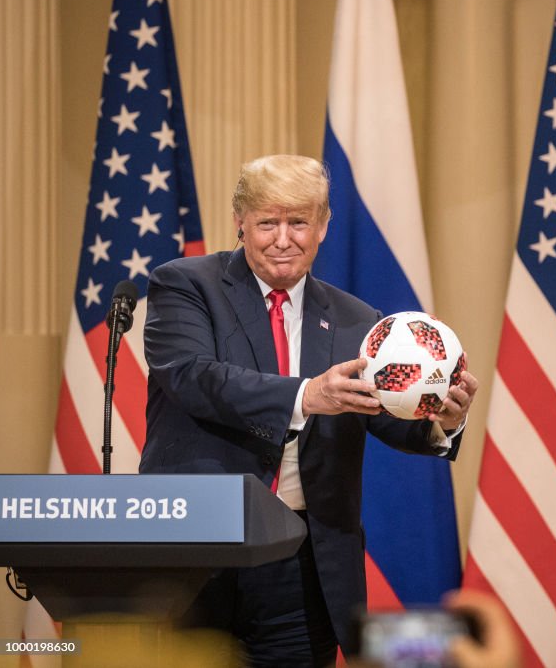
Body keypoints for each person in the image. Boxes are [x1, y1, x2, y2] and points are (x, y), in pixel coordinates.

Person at [140, 154, 478, 666]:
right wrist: (306, 396)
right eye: (266, 223)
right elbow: (193, 377)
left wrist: (442, 421)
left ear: (322, 226)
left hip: (302, 564)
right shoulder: (186, 285)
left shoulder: (358, 319)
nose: (283, 239)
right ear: (240, 223)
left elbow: (382, 412)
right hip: (200, 553)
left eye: (298, 222)